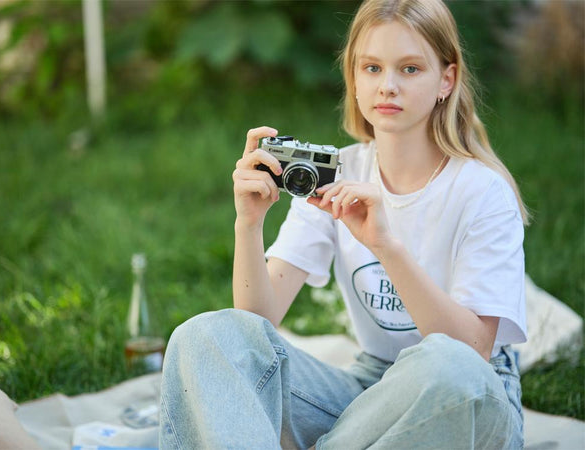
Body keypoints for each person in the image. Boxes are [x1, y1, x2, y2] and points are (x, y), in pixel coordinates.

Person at [159, 0, 529, 448]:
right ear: (353, 78)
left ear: (445, 80)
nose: (387, 86)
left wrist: (386, 246)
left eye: (410, 69)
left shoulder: (482, 192)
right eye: (371, 68)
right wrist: (249, 224)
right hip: (370, 387)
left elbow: (473, 353)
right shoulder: (338, 175)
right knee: (205, 336)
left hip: (469, 395)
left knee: (448, 366)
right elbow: (256, 325)